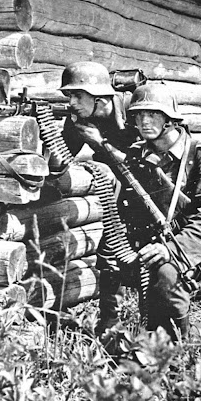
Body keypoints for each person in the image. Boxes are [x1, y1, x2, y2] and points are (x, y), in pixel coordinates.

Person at [118, 82, 201, 339]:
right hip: (150, 241)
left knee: (166, 275)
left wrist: (171, 250)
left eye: (153, 114)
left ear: (169, 119)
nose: (144, 121)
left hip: (192, 245)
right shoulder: (136, 155)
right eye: (139, 115)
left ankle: (182, 341)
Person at [59, 61, 138, 333]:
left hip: (155, 193)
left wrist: (100, 143)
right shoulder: (80, 119)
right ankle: (110, 326)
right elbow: (60, 159)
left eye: (77, 96)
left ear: (99, 96)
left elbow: (149, 165)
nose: (72, 103)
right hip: (123, 197)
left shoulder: (135, 109)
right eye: (68, 96)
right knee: (111, 252)